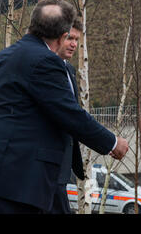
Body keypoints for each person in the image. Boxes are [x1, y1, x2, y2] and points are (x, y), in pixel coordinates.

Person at [0, 0, 128, 214]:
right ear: (62, 36)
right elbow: (69, 113)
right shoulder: (46, 62)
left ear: (33, 24)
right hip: (16, 180)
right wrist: (112, 142)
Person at [47, 19, 83, 214]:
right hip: (44, 165)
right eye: (70, 38)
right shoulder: (43, 68)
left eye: (77, 39)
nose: (74, 44)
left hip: (63, 165)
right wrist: (110, 142)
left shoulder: (69, 70)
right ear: (58, 37)